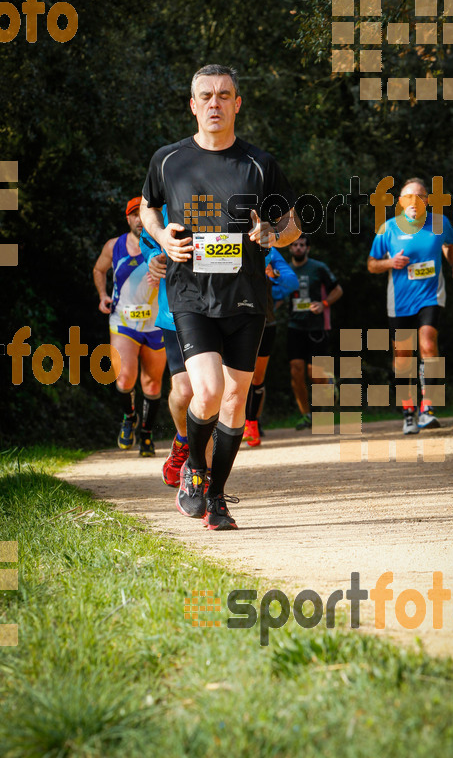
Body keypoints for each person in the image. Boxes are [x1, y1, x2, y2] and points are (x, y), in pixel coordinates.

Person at [140, 64, 301, 530]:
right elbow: (148, 205)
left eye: (224, 95)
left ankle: (216, 497)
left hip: (247, 296)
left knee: (235, 401)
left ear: (237, 104)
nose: (215, 103)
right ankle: (194, 465)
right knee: (207, 391)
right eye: (206, 96)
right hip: (190, 292)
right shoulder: (168, 160)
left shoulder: (259, 164)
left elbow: (293, 223)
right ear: (193, 105)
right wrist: (162, 237)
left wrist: (272, 233)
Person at [367, 177, 453, 434]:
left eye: (419, 197)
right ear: (400, 202)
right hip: (399, 301)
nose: (414, 202)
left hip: (430, 295)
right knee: (403, 356)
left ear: (427, 200)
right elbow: (371, 264)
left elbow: (450, 246)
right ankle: (408, 411)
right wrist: (390, 263)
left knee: (428, 344)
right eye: (408, 197)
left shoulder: (440, 223)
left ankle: (428, 408)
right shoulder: (387, 229)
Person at [93, 197, 166, 456]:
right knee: (123, 378)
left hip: (156, 324)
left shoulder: (163, 245)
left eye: (142, 213)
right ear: (128, 219)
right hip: (123, 321)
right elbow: (99, 270)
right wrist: (103, 295)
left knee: (153, 385)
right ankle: (128, 416)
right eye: (133, 214)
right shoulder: (114, 246)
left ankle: (146, 434)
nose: (138, 219)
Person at [139, 215, 193, 484]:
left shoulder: (225, 196)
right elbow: (148, 239)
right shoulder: (168, 204)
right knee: (184, 392)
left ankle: (203, 475)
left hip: (221, 313)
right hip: (175, 315)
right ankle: (183, 441)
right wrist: (152, 257)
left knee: (215, 394)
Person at [243, 247, 299, 447]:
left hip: (265, 322)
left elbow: (292, 282)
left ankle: (251, 424)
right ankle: (226, 426)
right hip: (230, 321)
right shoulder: (223, 241)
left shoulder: (269, 251)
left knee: (257, 378)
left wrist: (273, 273)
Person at [287, 235, 343, 430]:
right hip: (294, 326)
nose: (298, 248)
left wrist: (324, 304)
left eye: (302, 244)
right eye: (295, 245)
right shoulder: (285, 270)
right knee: (296, 372)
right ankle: (306, 415)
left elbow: (338, 290)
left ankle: (325, 408)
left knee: (315, 374)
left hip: (317, 327)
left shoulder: (318, 267)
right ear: (290, 248)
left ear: (307, 248)